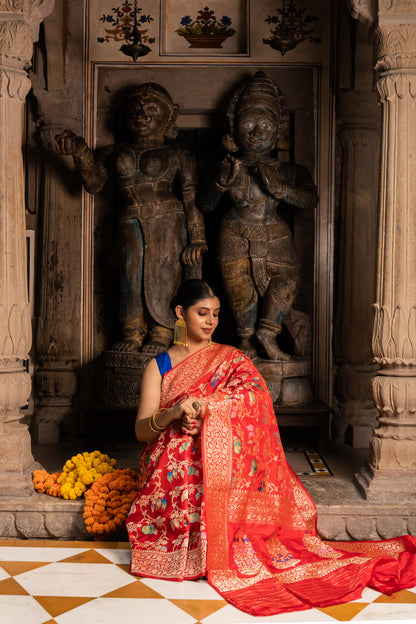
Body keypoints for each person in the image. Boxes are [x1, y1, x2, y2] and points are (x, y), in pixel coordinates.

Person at [126, 279, 416, 617]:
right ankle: (197, 544)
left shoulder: (230, 359)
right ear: (180, 313)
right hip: (171, 459)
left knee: (214, 462)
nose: (210, 321)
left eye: (216, 315)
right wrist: (175, 413)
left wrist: (208, 409)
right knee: (184, 461)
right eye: (202, 313)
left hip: (219, 454)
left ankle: (215, 544)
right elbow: (141, 431)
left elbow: (254, 395)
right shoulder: (158, 366)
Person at [55, 83, 207, 354]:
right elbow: (94, 184)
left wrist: (197, 238)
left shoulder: (179, 154)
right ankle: (133, 331)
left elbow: (191, 199)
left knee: (165, 273)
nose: (142, 115)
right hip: (129, 220)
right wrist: (80, 154)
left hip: (168, 222)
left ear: (168, 117)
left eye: (151, 110)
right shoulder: (114, 153)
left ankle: (161, 330)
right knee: (130, 274)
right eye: (136, 109)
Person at [199, 71, 318, 360]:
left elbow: (310, 199)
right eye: (249, 122)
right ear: (234, 128)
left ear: (279, 130)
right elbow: (206, 205)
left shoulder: (291, 170)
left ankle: (268, 332)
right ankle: (247, 343)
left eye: (266, 124)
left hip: (275, 233)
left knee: (287, 279)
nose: (256, 131)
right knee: (241, 293)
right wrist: (221, 184)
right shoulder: (227, 166)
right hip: (234, 233)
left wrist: (279, 189)